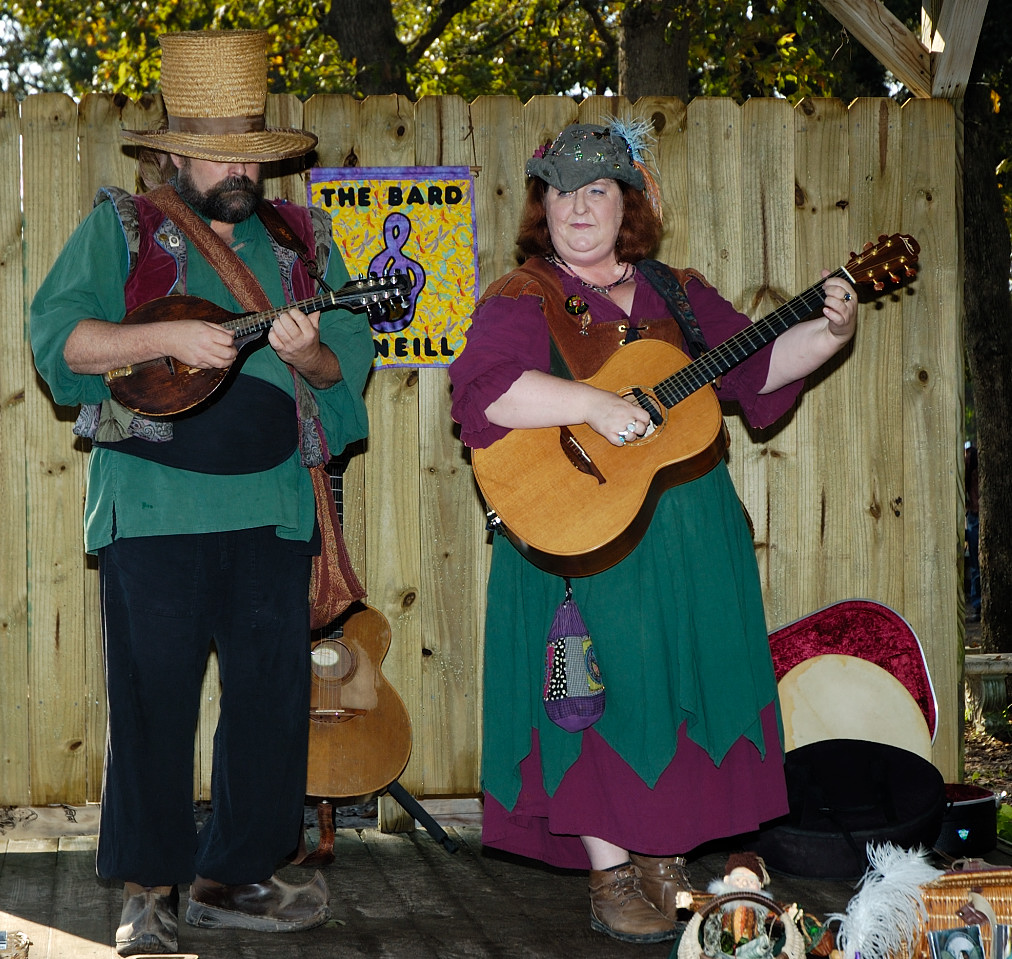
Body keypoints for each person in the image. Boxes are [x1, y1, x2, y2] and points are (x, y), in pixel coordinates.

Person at [449, 122, 858, 944]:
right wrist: (596, 404)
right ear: (542, 207)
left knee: (678, 694)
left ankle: (666, 862)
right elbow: (487, 397)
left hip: (690, 538)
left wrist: (833, 330)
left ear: (627, 204)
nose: (577, 207)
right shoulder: (522, 296)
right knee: (596, 703)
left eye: (596, 190)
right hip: (582, 539)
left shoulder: (677, 293)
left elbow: (760, 368)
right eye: (560, 192)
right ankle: (609, 874)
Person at [30, 30, 373, 957]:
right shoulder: (123, 227)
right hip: (152, 508)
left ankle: (236, 873)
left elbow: (350, 368)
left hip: (271, 508)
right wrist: (159, 343)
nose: (235, 171)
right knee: (154, 699)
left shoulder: (303, 243)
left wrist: (311, 353)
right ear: (172, 154)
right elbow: (59, 339)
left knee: (268, 700)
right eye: (215, 152)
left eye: (248, 154)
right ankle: (148, 888)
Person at [965, 441, 981, 622]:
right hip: (975, 514)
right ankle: (978, 605)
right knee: (976, 565)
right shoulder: (973, 457)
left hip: (976, 514)